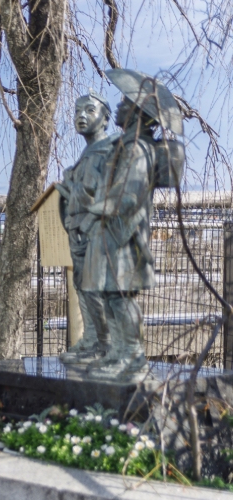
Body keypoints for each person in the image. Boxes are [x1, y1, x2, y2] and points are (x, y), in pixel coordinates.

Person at [81, 69, 184, 382]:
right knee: (111, 296)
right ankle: (119, 352)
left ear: (138, 114)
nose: (120, 107)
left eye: (126, 104)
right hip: (111, 233)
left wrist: (93, 209)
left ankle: (133, 356)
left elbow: (128, 197)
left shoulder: (138, 149)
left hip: (125, 236)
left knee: (121, 297)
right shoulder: (125, 145)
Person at [56, 90, 116, 365]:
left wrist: (75, 190)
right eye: (77, 110)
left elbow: (109, 194)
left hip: (98, 229)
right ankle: (92, 339)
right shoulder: (87, 153)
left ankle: (108, 344)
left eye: (89, 110)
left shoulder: (110, 151)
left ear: (105, 118)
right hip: (77, 229)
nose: (81, 115)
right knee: (83, 286)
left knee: (99, 287)